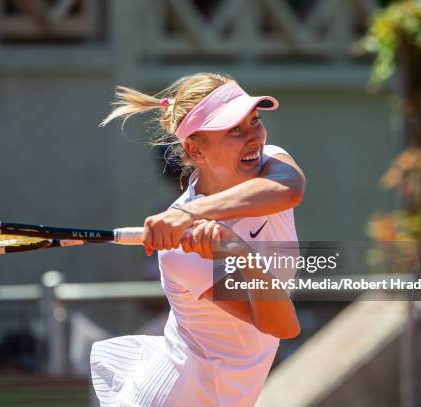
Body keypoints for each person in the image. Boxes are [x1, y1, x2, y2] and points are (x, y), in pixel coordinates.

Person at [91, 73, 304, 406]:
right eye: (234, 129)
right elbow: (281, 324)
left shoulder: (272, 165)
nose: (254, 137)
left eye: (255, 121)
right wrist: (236, 251)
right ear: (195, 149)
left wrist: (193, 214)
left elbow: (289, 190)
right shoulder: (181, 254)